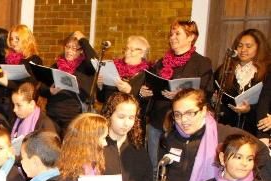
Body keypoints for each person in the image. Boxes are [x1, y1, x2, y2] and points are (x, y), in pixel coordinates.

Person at [141, 20, 213, 168]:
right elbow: (151, 85)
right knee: (154, 166)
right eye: (171, 34)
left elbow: (207, 92)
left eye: (177, 34)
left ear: (191, 37)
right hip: (157, 121)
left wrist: (182, 96)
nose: (172, 37)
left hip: (182, 123)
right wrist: (143, 92)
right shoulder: (161, 62)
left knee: (177, 167)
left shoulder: (201, 63)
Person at [39, 31, 96, 137]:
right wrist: (50, 91)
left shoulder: (86, 68)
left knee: (68, 149)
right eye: (67, 47)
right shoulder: (56, 65)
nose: (69, 51)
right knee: (50, 146)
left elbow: (94, 59)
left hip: (73, 117)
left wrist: (83, 40)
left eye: (74, 48)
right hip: (52, 115)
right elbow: (41, 89)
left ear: (81, 51)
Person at [214, 29, 270, 135]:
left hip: (255, 130)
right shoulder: (225, 69)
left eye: (248, 46)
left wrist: (250, 109)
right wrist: (214, 100)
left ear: (259, 48)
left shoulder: (267, 71)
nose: (243, 50)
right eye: (240, 46)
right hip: (228, 127)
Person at [101, 92, 153, 181]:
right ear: (109, 115)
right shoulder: (98, 146)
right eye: (121, 117)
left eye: (131, 118)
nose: (126, 123)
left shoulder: (138, 150)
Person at [0, 24, 42, 123]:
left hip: (17, 107)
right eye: (11, 39)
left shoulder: (34, 60)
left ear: (26, 40)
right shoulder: (6, 58)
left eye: (17, 39)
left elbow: (30, 86)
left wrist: (7, 84)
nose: (13, 42)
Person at [97, 36, 151, 103]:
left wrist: (130, 91)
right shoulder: (114, 68)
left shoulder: (147, 75)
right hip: (108, 111)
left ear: (142, 53)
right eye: (127, 48)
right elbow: (101, 99)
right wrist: (100, 86)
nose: (127, 52)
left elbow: (146, 103)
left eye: (132, 50)